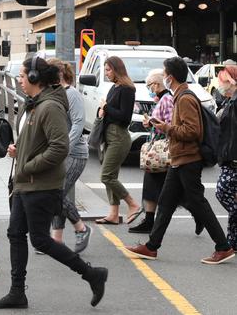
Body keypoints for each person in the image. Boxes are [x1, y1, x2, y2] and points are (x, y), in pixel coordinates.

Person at [0, 56, 107, 309]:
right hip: (25, 183)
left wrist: (29, 166)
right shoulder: (35, 104)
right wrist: (19, 150)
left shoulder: (49, 107)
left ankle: (92, 274)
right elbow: (37, 141)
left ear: (34, 78)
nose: (18, 80)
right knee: (16, 234)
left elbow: (60, 147)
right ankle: (17, 292)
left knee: (39, 239)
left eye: (21, 75)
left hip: (40, 184)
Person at [125, 56, 235, 265]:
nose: (164, 78)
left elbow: (192, 131)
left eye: (165, 75)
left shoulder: (184, 98)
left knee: (198, 202)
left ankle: (223, 247)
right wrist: (163, 124)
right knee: (166, 203)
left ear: (171, 77)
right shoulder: (180, 96)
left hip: (188, 158)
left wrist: (165, 127)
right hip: (180, 158)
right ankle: (151, 246)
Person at [47, 58, 92, 253]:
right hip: (61, 152)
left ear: (57, 75)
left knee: (55, 193)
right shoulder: (55, 93)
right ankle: (56, 239)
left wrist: (62, 148)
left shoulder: (71, 94)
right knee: (57, 194)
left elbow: (78, 124)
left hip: (74, 153)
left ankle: (81, 228)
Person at [95, 56, 142, 225]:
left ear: (117, 69)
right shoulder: (114, 88)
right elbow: (109, 111)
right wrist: (101, 111)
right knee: (111, 175)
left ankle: (133, 204)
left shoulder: (127, 89)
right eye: (105, 70)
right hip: (109, 135)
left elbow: (124, 117)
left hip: (119, 136)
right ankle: (113, 214)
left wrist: (106, 107)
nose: (106, 73)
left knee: (106, 176)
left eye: (108, 70)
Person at [129, 69, 176, 233]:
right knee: (152, 186)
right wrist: (150, 122)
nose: (149, 89)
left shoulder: (167, 99)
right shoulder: (162, 99)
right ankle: (149, 221)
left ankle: (198, 214)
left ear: (156, 84)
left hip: (161, 149)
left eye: (149, 85)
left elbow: (170, 124)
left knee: (167, 189)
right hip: (156, 149)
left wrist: (153, 122)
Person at [214, 65, 237, 251]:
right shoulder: (229, 101)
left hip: (233, 158)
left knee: (223, 191)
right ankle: (233, 242)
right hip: (229, 157)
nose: (220, 84)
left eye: (223, 80)